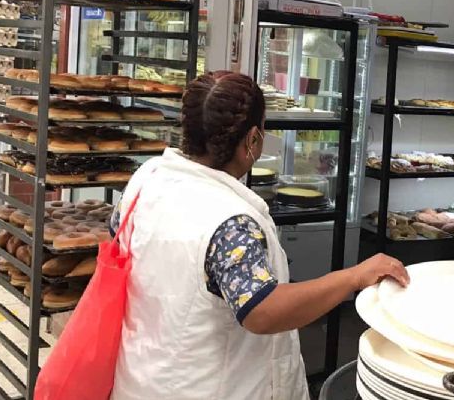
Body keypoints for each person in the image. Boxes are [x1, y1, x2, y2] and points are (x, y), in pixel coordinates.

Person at [110, 71, 409, 400]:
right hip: (208, 388)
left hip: (141, 377)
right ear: (252, 140)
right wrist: (352, 277)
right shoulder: (229, 221)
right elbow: (262, 310)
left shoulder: (146, 179)